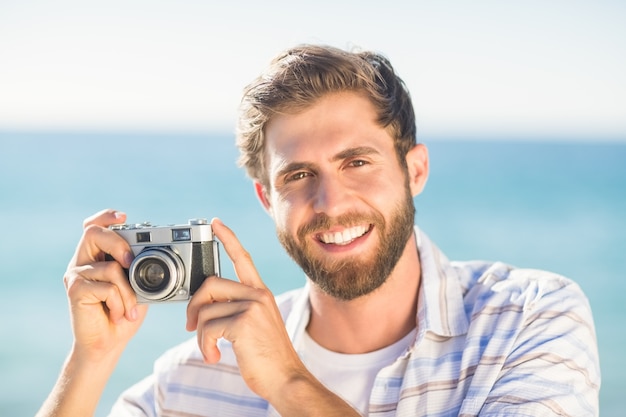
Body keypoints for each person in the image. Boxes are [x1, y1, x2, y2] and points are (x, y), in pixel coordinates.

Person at [37, 44, 600, 417]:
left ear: (416, 170)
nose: (330, 203)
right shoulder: (193, 379)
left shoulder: (530, 319)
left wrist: (290, 385)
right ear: (267, 199)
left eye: (357, 162)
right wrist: (91, 359)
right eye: (299, 175)